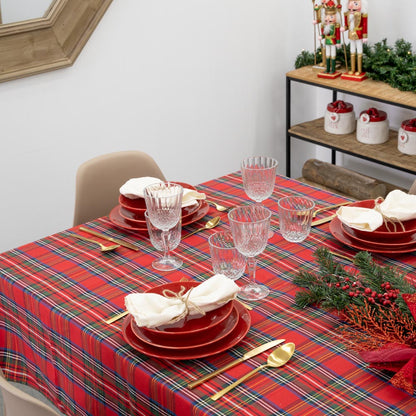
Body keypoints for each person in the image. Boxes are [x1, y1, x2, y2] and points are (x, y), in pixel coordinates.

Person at [343, 0, 368, 75]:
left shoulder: (362, 15)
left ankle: (359, 70)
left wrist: (364, 36)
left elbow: (365, 25)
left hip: (359, 34)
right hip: (351, 34)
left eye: (353, 9)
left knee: (359, 51)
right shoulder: (347, 14)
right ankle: (353, 69)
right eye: (350, 9)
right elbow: (346, 25)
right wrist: (344, 28)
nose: (351, 11)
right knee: (352, 51)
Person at [319, 1, 341, 74]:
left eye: (331, 17)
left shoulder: (336, 26)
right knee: (327, 55)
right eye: (326, 16)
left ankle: (333, 69)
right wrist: (321, 36)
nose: (328, 19)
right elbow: (323, 34)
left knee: (333, 55)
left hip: (333, 41)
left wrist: (338, 42)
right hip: (327, 42)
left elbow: (338, 34)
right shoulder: (324, 25)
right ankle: (327, 68)